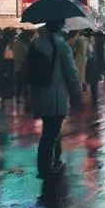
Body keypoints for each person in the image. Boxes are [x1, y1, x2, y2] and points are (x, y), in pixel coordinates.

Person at [28, 20, 81, 177]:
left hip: (38, 91)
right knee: (51, 131)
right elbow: (71, 72)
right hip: (56, 95)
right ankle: (45, 166)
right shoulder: (61, 45)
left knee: (49, 129)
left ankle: (50, 159)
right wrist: (76, 93)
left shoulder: (36, 43)